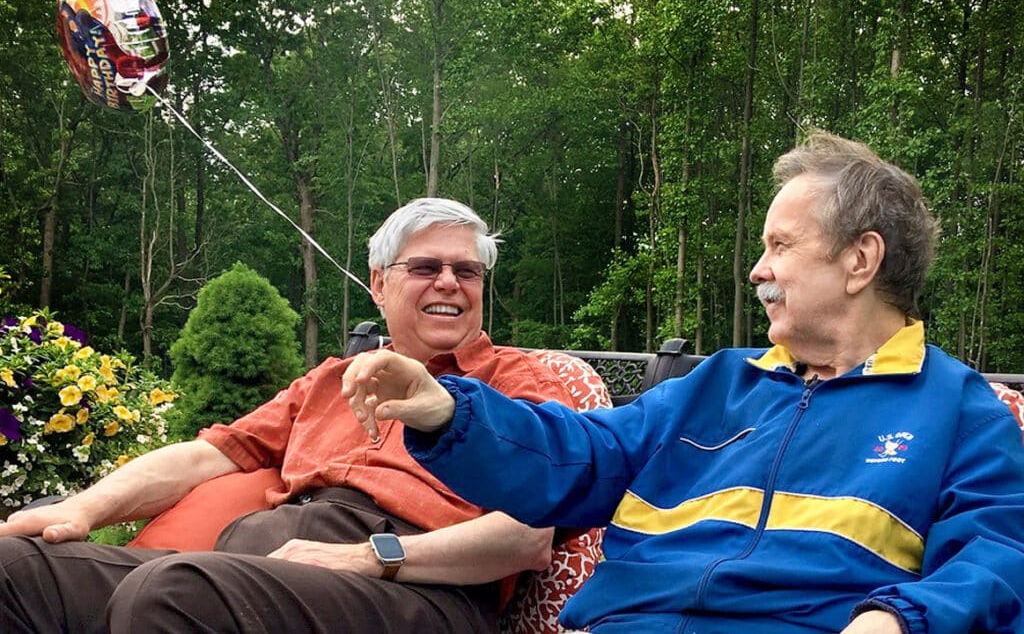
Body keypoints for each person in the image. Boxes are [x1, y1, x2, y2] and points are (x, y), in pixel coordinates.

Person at [344, 132, 1024, 634]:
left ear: (860, 259)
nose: (756, 270)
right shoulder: (718, 385)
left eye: (780, 245)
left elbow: (997, 558)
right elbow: (574, 455)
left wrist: (896, 620)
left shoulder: (962, 410)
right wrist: (445, 412)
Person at [0, 197, 577, 634]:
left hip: (419, 588)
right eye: (426, 267)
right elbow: (207, 454)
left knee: (170, 593)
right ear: (379, 283)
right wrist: (83, 508)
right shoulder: (329, 379)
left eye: (467, 271)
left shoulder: (519, 379)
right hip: (257, 564)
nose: (450, 282)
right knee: (13, 567)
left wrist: (370, 558)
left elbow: (527, 535)